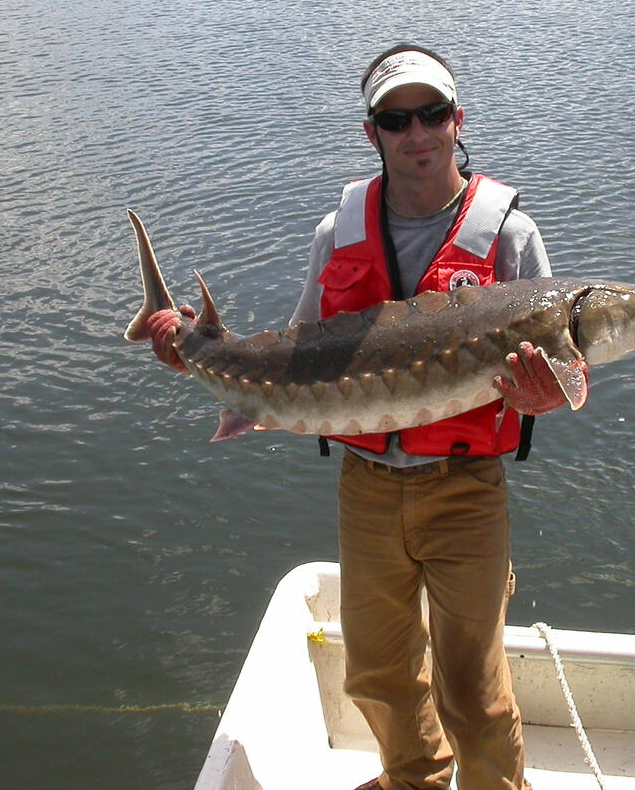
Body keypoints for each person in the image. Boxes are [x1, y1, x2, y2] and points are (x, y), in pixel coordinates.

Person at [144, 46, 581, 790]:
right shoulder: (337, 232)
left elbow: (560, 367)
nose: (418, 133)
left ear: (457, 120)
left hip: (467, 486)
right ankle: (414, 780)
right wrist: (194, 348)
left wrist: (548, 396)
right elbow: (296, 353)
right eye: (396, 118)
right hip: (368, 484)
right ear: (371, 132)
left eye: (433, 114)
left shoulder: (510, 237)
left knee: (472, 685)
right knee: (377, 670)